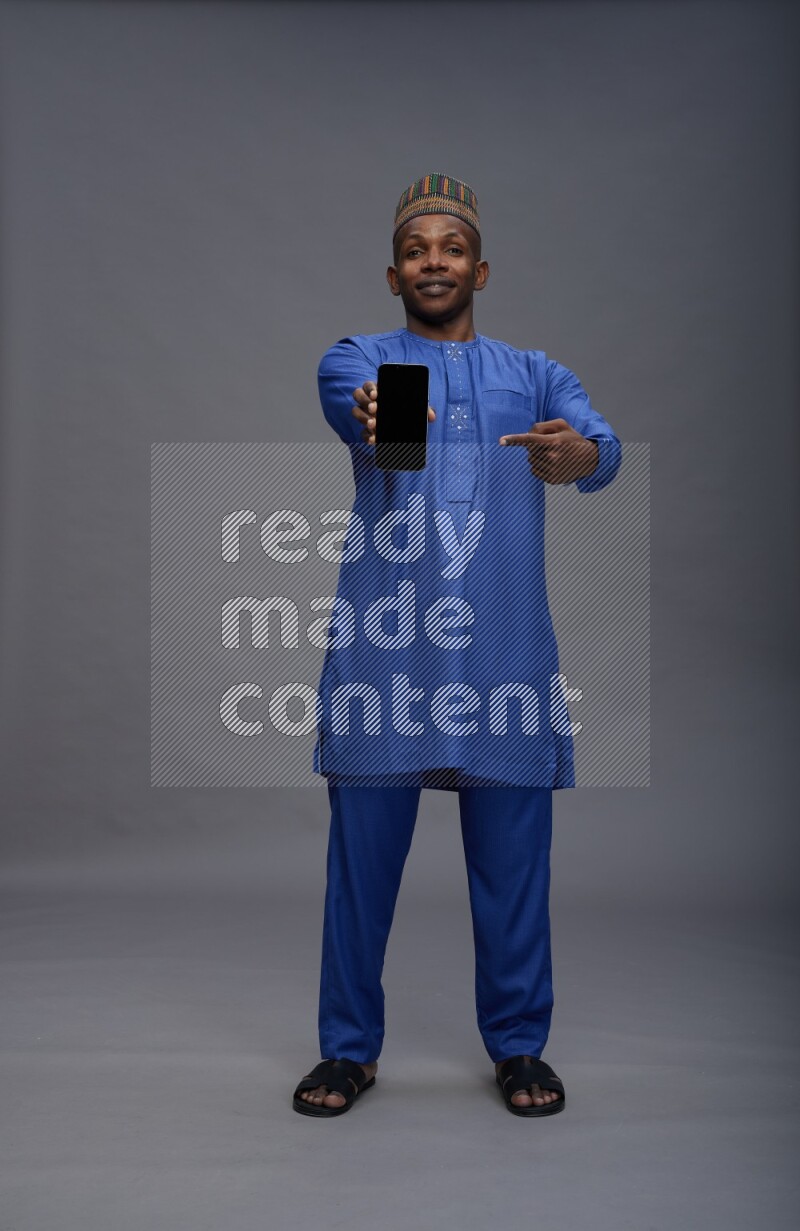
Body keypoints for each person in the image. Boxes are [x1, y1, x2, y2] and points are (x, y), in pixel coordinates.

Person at [292, 173, 622, 1117]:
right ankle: (347, 1051)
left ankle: (519, 1048)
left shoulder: (536, 372)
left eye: (449, 247)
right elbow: (371, 418)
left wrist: (583, 457)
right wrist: (384, 416)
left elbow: (600, 445)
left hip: (505, 665)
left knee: (515, 874)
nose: (432, 261)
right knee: (360, 875)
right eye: (414, 250)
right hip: (386, 664)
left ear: (480, 267)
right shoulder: (362, 359)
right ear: (393, 275)